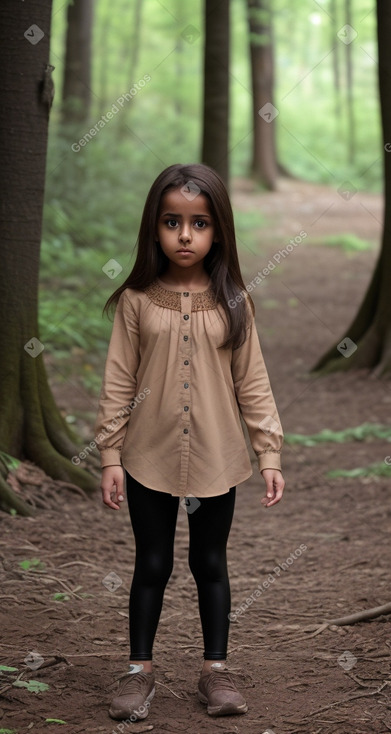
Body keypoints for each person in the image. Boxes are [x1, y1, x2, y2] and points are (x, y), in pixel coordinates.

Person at [94, 162, 285, 721]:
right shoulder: (136, 302)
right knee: (151, 562)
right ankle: (139, 672)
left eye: (198, 223)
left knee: (211, 562)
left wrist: (268, 452)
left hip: (217, 455)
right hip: (146, 455)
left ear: (217, 230)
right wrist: (109, 453)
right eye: (172, 221)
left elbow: (254, 382)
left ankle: (215, 671)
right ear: (154, 227)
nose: (184, 235)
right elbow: (118, 380)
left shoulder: (236, 303)